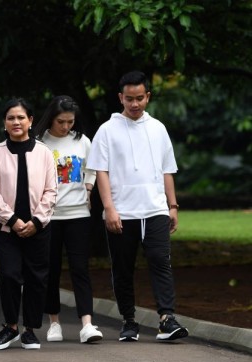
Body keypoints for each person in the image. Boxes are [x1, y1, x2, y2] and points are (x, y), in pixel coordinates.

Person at [87, 70, 189, 342]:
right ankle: (129, 320)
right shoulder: (107, 130)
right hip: (122, 211)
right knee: (123, 267)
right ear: (120, 97)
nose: (135, 104)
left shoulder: (158, 128)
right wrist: (108, 208)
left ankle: (167, 319)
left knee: (160, 261)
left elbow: (167, 169)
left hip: (154, 209)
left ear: (148, 97)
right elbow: (101, 171)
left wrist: (173, 205)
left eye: (140, 98)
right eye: (129, 99)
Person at [0, 98, 57, 350]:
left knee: (37, 278)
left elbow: (51, 190)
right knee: (10, 275)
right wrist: (13, 220)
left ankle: (30, 330)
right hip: (6, 227)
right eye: (11, 118)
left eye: (21, 117)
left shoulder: (44, 152)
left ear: (30, 121)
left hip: (39, 227)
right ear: (4, 122)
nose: (16, 122)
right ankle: (11, 326)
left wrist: (36, 221)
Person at [34, 95, 104, 344]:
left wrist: (88, 186)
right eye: (61, 121)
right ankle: (54, 322)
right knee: (51, 270)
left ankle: (87, 323)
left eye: (70, 122)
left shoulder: (82, 140)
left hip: (78, 214)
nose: (66, 127)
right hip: (49, 216)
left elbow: (94, 167)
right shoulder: (39, 143)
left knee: (80, 269)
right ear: (51, 119)